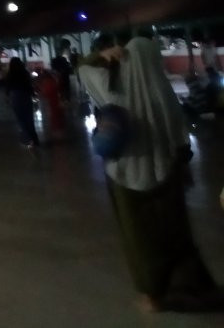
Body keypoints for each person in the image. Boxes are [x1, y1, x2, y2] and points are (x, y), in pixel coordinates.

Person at [79, 35, 221, 312]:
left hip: (123, 175)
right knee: (175, 232)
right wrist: (182, 163)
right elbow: (179, 133)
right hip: (165, 172)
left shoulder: (111, 88)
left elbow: (81, 68)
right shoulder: (163, 93)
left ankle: (153, 294)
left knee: (139, 239)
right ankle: (187, 285)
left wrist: (102, 56)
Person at [0, 57, 40, 148]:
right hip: (26, 96)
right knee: (29, 118)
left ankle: (28, 139)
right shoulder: (25, 73)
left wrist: (6, 97)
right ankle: (35, 139)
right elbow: (29, 85)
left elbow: (7, 86)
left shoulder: (10, 74)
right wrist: (33, 95)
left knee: (21, 119)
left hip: (15, 97)